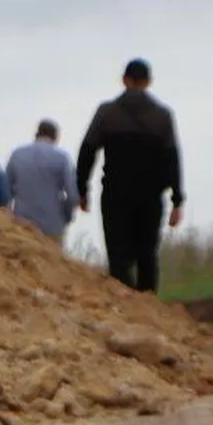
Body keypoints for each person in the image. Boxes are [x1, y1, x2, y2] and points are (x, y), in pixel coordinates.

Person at [76, 58, 185, 293]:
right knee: (147, 254)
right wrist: (177, 200)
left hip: (116, 193)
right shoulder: (162, 117)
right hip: (150, 195)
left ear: (125, 80)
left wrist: (82, 189)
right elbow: (173, 159)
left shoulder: (107, 113)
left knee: (118, 255)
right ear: (149, 82)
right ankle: (148, 306)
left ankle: (124, 307)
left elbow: (87, 151)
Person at [5, 119, 79, 244]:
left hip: (21, 226)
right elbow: (72, 196)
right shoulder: (61, 158)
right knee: (53, 262)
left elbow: (5, 191)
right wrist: (65, 217)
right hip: (52, 225)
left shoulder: (17, 155)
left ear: (36, 134)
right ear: (55, 137)